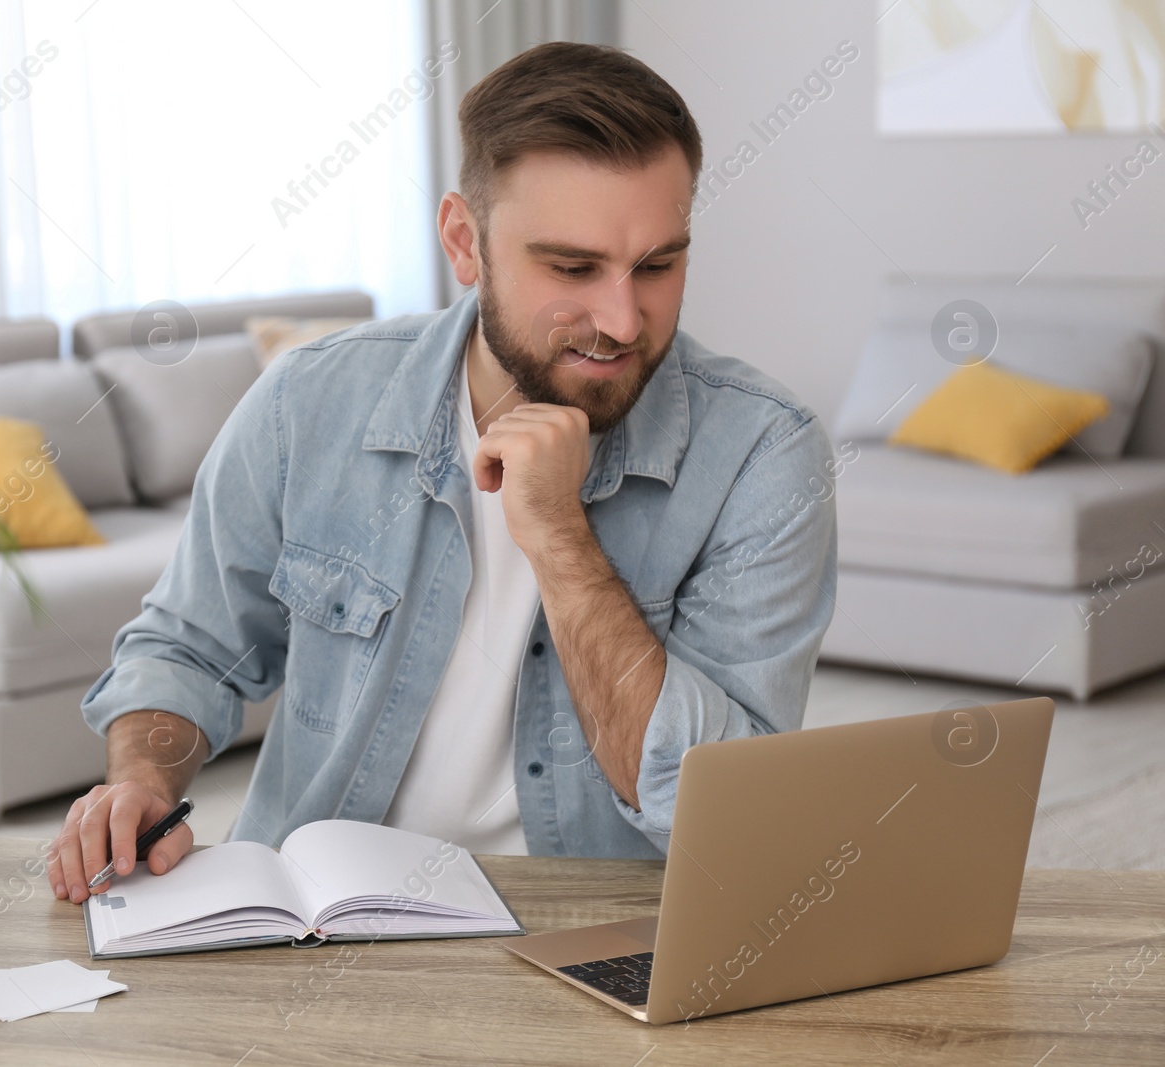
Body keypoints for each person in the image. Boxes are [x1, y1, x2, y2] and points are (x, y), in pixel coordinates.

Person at [49, 40, 838, 904]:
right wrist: (144, 782)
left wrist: (560, 537)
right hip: (311, 923)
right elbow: (187, 647)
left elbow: (718, 808)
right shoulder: (309, 401)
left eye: (657, 264)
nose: (620, 318)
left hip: (589, 934)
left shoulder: (765, 453)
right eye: (572, 268)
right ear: (466, 242)